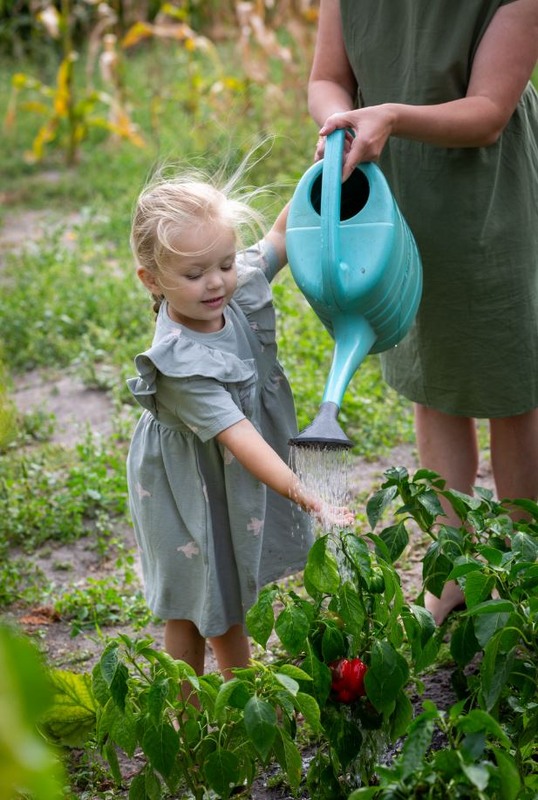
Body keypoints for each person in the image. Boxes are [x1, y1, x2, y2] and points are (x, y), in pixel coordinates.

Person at [308, 0, 538, 623]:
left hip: (489, 202)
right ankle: (452, 566)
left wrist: (390, 116)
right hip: (394, 198)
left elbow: (488, 113)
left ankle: (522, 566)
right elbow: (327, 76)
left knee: (514, 390)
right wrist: (341, 121)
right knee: (433, 382)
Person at [126, 167, 355, 680]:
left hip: (223, 473)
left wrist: (326, 172)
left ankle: (230, 702)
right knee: (203, 599)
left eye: (225, 263)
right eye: (195, 274)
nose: (216, 282)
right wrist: (309, 494)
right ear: (152, 279)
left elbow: (279, 237)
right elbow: (243, 440)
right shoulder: (180, 366)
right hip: (187, 486)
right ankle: (221, 703)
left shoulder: (235, 287)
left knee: (218, 588)